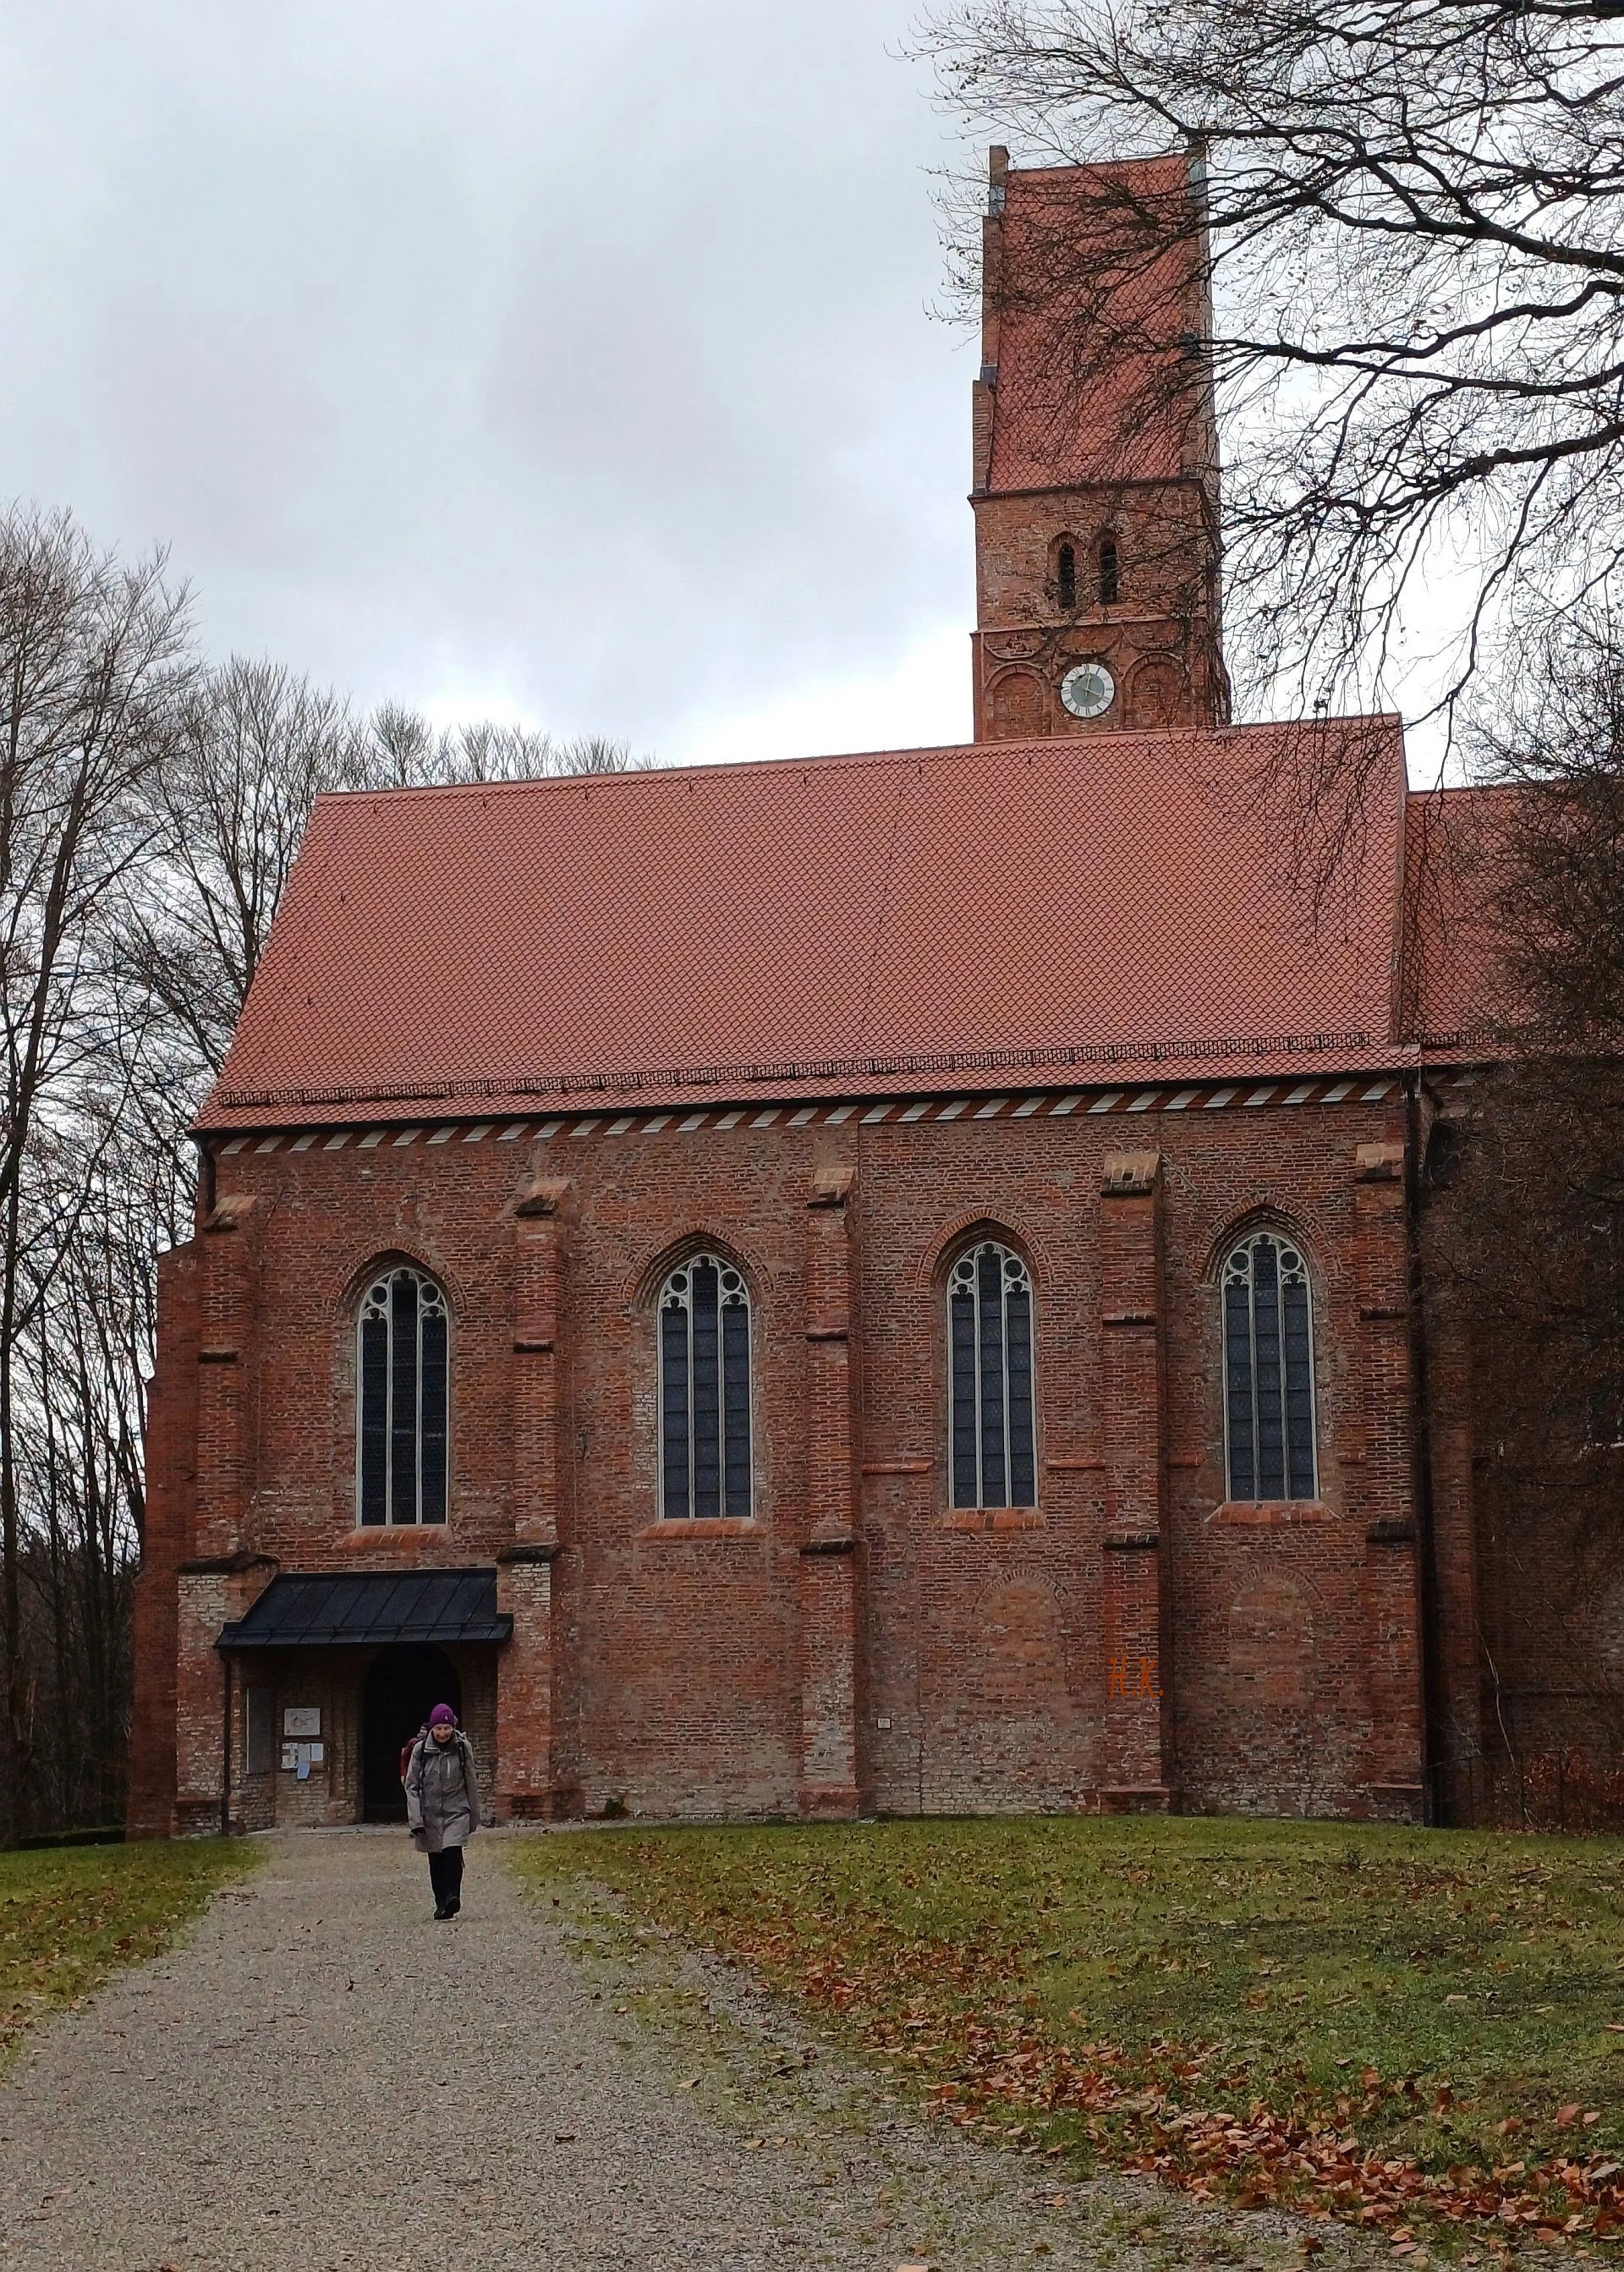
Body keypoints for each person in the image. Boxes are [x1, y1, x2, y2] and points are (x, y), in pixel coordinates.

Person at [403, 1703, 480, 1918]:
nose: (443, 1733)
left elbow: (470, 1781)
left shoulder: (462, 1748)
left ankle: (453, 1897)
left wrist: (473, 1815)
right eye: (438, 1729)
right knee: (436, 1858)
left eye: (446, 1728)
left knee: (453, 1852)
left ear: (453, 1727)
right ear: (432, 1729)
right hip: (430, 1812)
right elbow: (412, 1786)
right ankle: (441, 1902)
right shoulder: (420, 1751)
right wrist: (415, 1820)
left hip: (457, 1809)